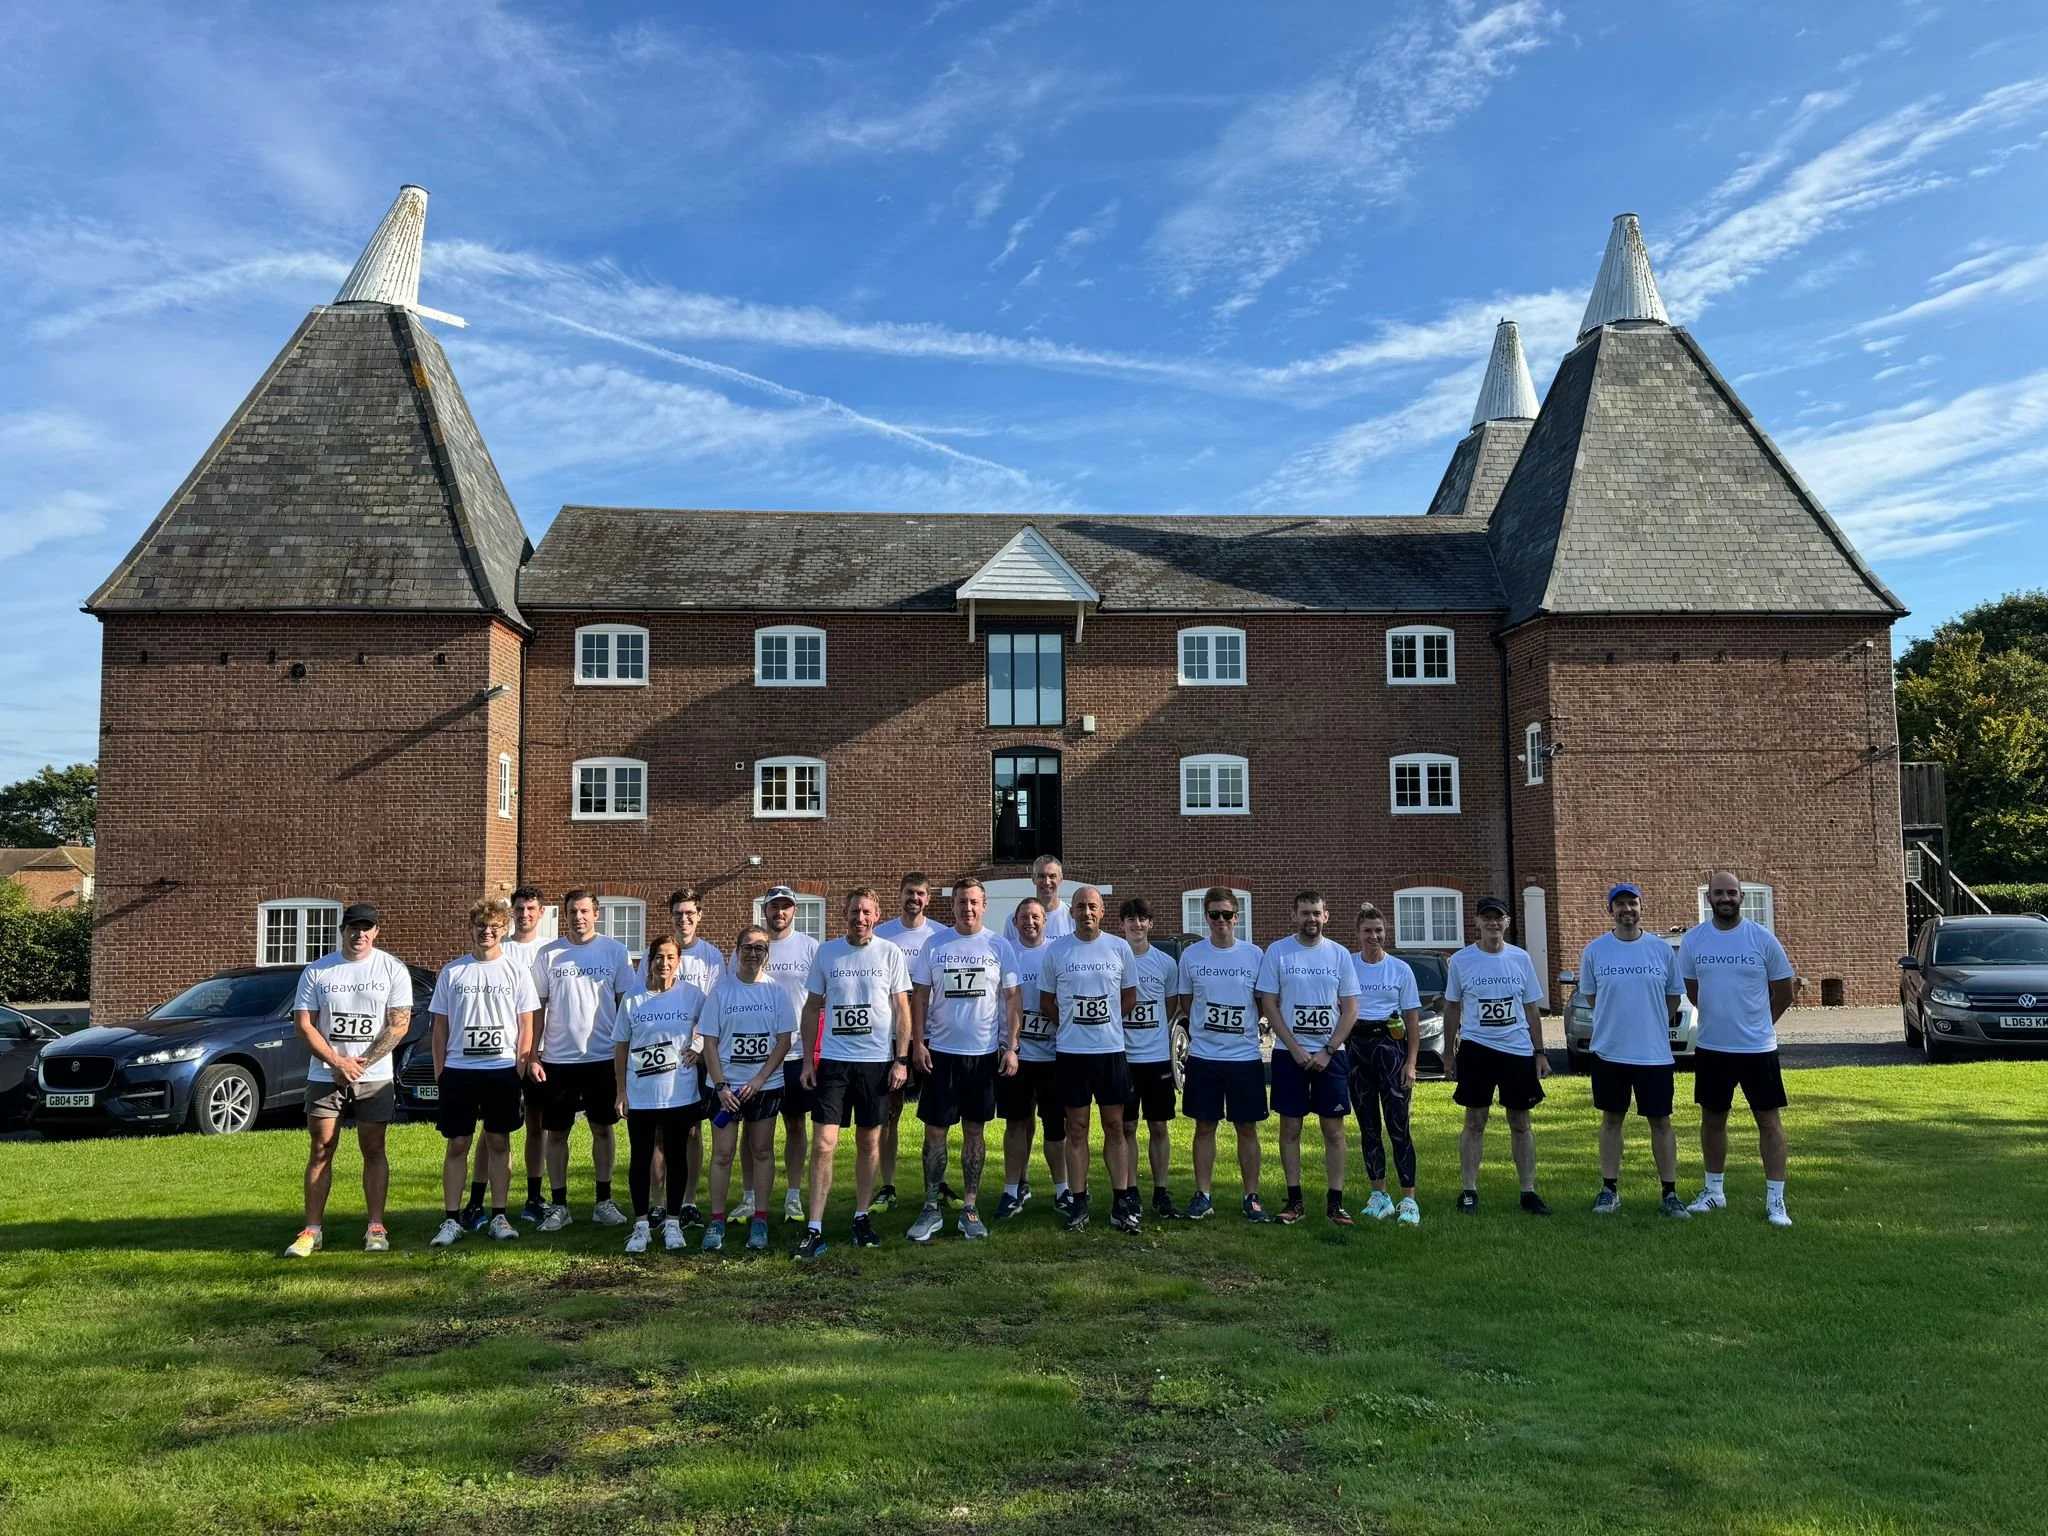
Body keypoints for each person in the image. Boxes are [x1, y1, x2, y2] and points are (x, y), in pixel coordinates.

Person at [283, 902, 413, 1257]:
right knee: (321, 1148)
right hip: (325, 1075)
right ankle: (312, 1230)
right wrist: (336, 1061)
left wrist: (362, 1063)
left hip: (375, 1076)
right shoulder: (318, 971)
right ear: (342, 930)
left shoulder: (392, 969)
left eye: (367, 928)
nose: (360, 934)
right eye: (354, 928)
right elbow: (304, 1024)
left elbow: (399, 1023)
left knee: (373, 1149)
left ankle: (375, 1227)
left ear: (376, 932)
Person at [796, 888, 913, 1260]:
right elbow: (812, 1007)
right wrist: (806, 1062)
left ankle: (862, 1217)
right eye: (853, 911)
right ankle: (814, 1226)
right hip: (834, 1063)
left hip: (876, 1064)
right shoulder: (826, 952)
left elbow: (902, 1010)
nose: (859, 918)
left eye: (866, 912)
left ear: (877, 915)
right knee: (823, 1144)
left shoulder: (890, 953)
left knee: (869, 1143)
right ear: (843, 914)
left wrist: (901, 1059)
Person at [1681, 870, 1797, 1226]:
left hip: (1757, 1049)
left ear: (1741, 897)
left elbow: (1785, 991)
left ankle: (1776, 1201)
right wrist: (1720, 1021)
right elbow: (1692, 990)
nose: (1725, 898)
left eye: (1732, 892)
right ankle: (1714, 1192)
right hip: (1713, 1048)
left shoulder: (1761, 939)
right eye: (1719, 893)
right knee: (1713, 1120)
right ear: (1709, 898)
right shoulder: (1694, 941)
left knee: (1769, 1121)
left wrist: (1759, 1023)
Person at [907, 877, 1020, 1242]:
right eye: (960, 902)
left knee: (975, 1130)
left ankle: (970, 1207)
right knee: (935, 1131)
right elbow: (919, 998)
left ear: (983, 905)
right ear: (952, 906)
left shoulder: (999, 946)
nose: (967, 908)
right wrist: (918, 1043)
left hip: (983, 1056)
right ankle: (930, 1206)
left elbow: (1013, 999)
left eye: (973, 902)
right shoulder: (934, 945)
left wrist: (1012, 1046)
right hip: (941, 1054)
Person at [428, 896, 537, 1247]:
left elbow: (526, 1023)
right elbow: (440, 1028)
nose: (487, 932)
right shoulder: (453, 971)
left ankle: (499, 1215)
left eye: (493, 927)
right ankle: (451, 1219)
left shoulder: (516, 972)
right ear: (471, 929)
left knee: (498, 1140)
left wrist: (520, 1063)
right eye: (481, 927)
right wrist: (440, 1071)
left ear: (503, 930)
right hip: (459, 1070)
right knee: (458, 1142)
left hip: (501, 1068)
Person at [1580, 883, 1691, 1219]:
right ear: (1610, 911)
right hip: (1609, 1052)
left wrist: (1651, 1022)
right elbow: (1592, 997)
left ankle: (1669, 1194)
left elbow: (1673, 996)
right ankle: (1609, 1190)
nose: (1627, 909)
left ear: (1642, 908)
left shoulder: (1659, 950)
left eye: (1633, 903)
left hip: (1653, 1054)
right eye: (1620, 904)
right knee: (1612, 1119)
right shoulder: (1596, 951)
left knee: (1661, 1121)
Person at [532, 889, 639, 1232]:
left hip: (603, 1056)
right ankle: (559, 1205)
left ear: (596, 914)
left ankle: (603, 1201)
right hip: (558, 1059)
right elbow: (538, 1008)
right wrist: (533, 1053)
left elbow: (628, 1005)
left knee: (602, 1129)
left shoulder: (615, 951)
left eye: (583, 911)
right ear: (565, 916)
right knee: (556, 1133)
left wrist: (628, 1051)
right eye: (572, 912)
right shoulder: (548, 954)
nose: (578, 917)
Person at [1257, 890, 1362, 1226]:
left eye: (1316, 913)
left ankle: (1335, 1203)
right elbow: (1269, 1004)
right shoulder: (1278, 952)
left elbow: (1350, 1010)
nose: (1311, 919)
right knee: (1290, 1128)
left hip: (1332, 1056)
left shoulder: (1339, 955)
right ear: (1294, 916)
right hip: (1290, 1055)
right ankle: (1294, 1201)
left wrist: (1328, 1050)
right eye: (1305, 913)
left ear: (1326, 916)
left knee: (1334, 1131)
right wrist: (1297, 1048)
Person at [1443, 895, 1551, 1216]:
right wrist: (1449, 1054)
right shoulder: (1462, 961)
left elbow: (1531, 1007)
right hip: (1477, 1049)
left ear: (1507, 922)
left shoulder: (1520, 959)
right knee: (1475, 1120)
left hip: (1516, 1050)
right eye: (1486, 918)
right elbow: (1452, 1007)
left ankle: (1528, 1191)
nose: (1493, 923)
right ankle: (1469, 1191)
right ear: (1477, 922)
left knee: (1521, 1122)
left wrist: (1540, 1053)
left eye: (1498, 918)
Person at [1041, 886, 1139, 1233]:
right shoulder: (1058, 950)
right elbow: (1047, 1001)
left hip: (1110, 1051)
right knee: (1077, 1129)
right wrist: (1072, 1022)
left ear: (1102, 910)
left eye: (1092, 906)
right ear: (1072, 912)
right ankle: (1078, 1202)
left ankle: (1121, 1202)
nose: (1086, 912)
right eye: (1080, 906)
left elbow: (1129, 996)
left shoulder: (1119, 947)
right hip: (1072, 1053)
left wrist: (1104, 1020)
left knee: (1116, 1127)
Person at [1172, 888, 1269, 1222]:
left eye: (1227, 915)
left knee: (1247, 1127)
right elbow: (1186, 1002)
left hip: (1244, 1057)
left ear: (1236, 917)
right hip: (1204, 1056)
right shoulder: (1192, 956)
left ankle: (1251, 1196)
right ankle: (1203, 1195)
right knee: (1204, 1126)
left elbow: (1260, 1002)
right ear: (1206, 917)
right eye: (1214, 915)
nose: (1221, 921)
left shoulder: (1254, 955)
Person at [697, 924, 795, 1253]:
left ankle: (760, 1220)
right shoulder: (722, 992)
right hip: (724, 1090)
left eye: (760, 949)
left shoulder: (776, 992)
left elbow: (784, 1041)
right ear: (736, 952)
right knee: (722, 1154)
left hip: (764, 1088)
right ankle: (716, 1221)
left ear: (767, 954)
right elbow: (709, 1043)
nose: (753, 954)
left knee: (762, 1151)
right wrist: (722, 1085)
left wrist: (758, 1080)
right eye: (747, 948)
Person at [609, 935, 709, 1254]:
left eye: (670, 957)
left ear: (678, 962)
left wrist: (697, 1049)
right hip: (641, 1095)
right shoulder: (633, 999)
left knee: (678, 1158)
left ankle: (673, 1223)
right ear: (648, 961)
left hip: (679, 1093)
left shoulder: (693, 996)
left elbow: (710, 1030)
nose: (663, 963)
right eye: (658, 957)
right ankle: (641, 1225)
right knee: (641, 1157)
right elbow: (621, 1045)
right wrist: (621, 1090)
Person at [466, 883, 549, 1228]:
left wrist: (533, 1054)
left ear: (541, 913)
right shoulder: (501, 947)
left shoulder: (549, 950)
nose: (525, 914)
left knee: (536, 1127)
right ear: (511, 914)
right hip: (500, 1059)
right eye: (519, 909)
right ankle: (475, 1201)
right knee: (491, 1131)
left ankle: (534, 1197)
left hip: (540, 1054)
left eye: (531, 909)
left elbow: (540, 1009)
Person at [1348, 903, 1423, 1225]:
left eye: (1378, 931)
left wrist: (1411, 1063)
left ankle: (1409, 1199)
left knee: (1398, 1127)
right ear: (1358, 934)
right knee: (1368, 1127)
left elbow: (1412, 1020)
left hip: (1391, 1048)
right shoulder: (1347, 965)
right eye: (1367, 931)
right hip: (1356, 1049)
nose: (1373, 936)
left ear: (1385, 932)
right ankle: (1379, 1194)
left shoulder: (1400, 970)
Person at [993, 896, 1066, 1219]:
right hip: (1016, 1054)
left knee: (1055, 1125)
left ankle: (1062, 1190)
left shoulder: (1057, 952)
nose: (1030, 922)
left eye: (1036, 916)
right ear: (1015, 921)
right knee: (1017, 1122)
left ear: (1045, 921)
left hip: (1053, 1054)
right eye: (1024, 917)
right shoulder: (1005, 952)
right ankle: (1012, 1189)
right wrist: (1007, 1044)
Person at [874, 872, 942, 1213]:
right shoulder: (882, 934)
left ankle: (936, 1184)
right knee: (890, 1112)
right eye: (908, 893)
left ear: (928, 899)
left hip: (934, 1035)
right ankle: (888, 1185)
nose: (913, 898)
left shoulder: (941, 936)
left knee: (937, 1115)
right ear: (898, 895)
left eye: (920, 893)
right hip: (891, 1035)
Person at [1117, 898, 1183, 1220]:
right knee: (1126, 1126)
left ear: (1150, 923)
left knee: (1158, 1126)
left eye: (1142, 919)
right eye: (1130, 919)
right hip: (1123, 1057)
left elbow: (1170, 1007)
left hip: (1155, 1058)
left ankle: (1160, 1192)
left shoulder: (1165, 964)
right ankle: (1129, 1191)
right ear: (1122, 925)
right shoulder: (1114, 958)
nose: (1136, 924)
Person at [665, 887, 728, 1226]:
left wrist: (700, 1048)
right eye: (678, 914)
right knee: (661, 1132)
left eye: (690, 914)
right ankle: (658, 1202)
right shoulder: (660, 952)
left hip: (696, 1056)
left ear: (699, 916)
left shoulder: (711, 957)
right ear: (671, 917)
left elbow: (714, 1007)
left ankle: (688, 1201)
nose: (684, 919)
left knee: (691, 1131)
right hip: (661, 1055)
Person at [759, 886, 820, 1223]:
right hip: (757, 1056)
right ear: (764, 911)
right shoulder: (753, 946)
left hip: (796, 1053)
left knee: (796, 1125)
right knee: (756, 1130)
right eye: (773, 907)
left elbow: (819, 1001)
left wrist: (812, 1055)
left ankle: (794, 1196)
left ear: (794, 911)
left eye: (785, 907)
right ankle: (752, 1197)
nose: (779, 913)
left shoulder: (810, 948)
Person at [1007, 854, 1075, 945]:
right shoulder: (1017, 919)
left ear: (1061, 879)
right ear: (1033, 878)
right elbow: (1007, 954)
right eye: (1041, 876)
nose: (1047, 882)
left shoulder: (1073, 916)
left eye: (1052, 876)